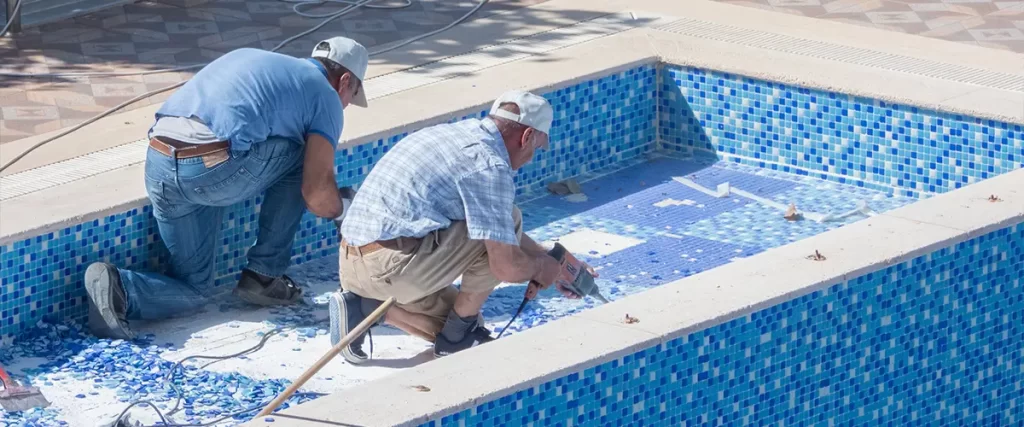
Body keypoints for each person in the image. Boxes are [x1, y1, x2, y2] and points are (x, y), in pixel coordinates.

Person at [83, 37, 370, 340]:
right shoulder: (325, 95)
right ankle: (264, 275)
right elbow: (316, 192)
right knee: (305, 157)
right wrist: (345, 213)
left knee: (195, 290)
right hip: (210, 169)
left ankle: (118, 286)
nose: (348, 104)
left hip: (159, 163)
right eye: (352, 95)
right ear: (345, 81)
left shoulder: (260, 59)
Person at [331, 90, 595, 362]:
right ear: (526, 137)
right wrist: (541, 268)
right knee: (507, 222)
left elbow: (489, 223)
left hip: (353, 263)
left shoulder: (452, 135)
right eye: (536, 148)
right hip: (391, 268)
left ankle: (363, 306)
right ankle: (457, 337)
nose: (530, 158)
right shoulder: (489, 168)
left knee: (464, 327)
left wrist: (554, 259)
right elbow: (505, 265)